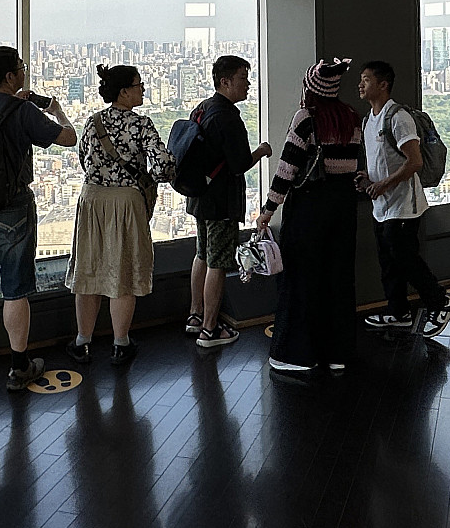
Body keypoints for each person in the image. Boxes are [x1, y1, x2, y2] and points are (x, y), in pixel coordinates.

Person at [0, 47, 77, 391]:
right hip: (12, 206)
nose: (24, 72)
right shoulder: (24, 110)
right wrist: (55, 110)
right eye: (21, 68)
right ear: (11, 77)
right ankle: (19, 366)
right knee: (15, 290)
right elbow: (68, 139)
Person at [254, 58, 363, 372]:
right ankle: (338, 352)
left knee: (301, 278)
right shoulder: (351, 117)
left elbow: (287, 169)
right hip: (343, 206)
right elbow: (353, 164)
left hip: (310, 206)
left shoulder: (306, 118)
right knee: (338, 277)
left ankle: (296, 354)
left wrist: (268, 209)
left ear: (310, 88)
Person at [64, 65, 176, 366]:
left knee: (89, 270)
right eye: (139, 85)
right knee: (123, 272)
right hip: (126, 202)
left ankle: (82, 342)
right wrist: (153, 175)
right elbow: (164, 165)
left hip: (92, 200)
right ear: (124, 91)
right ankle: (120, 343)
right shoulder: (141, 125)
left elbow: (84, 160)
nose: (143, 89)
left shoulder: (92, 122)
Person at [355, 61, 450, 338]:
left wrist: (383, 184)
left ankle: (440, 302)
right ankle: (398, 311)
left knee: (405, 257)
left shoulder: (398, 117)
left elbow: (415, 161)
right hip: (382, 205)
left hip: (404, 205)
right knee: (388, 260)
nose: (360, 85)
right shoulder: (369, 120)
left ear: (383, 84)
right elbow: (381, 160)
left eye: (366, 79)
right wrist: (368, 178)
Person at [185, 55, 272, 349]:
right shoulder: (228, 117)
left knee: (202, 254)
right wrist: (260, 151)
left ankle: (195, 315)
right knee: (219, 263)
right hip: (221, 200)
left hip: (199, 195)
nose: (247, 85)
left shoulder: (203, 108)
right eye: (243, 79)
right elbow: (238, 164)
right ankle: (210, 330)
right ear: (226, 82)